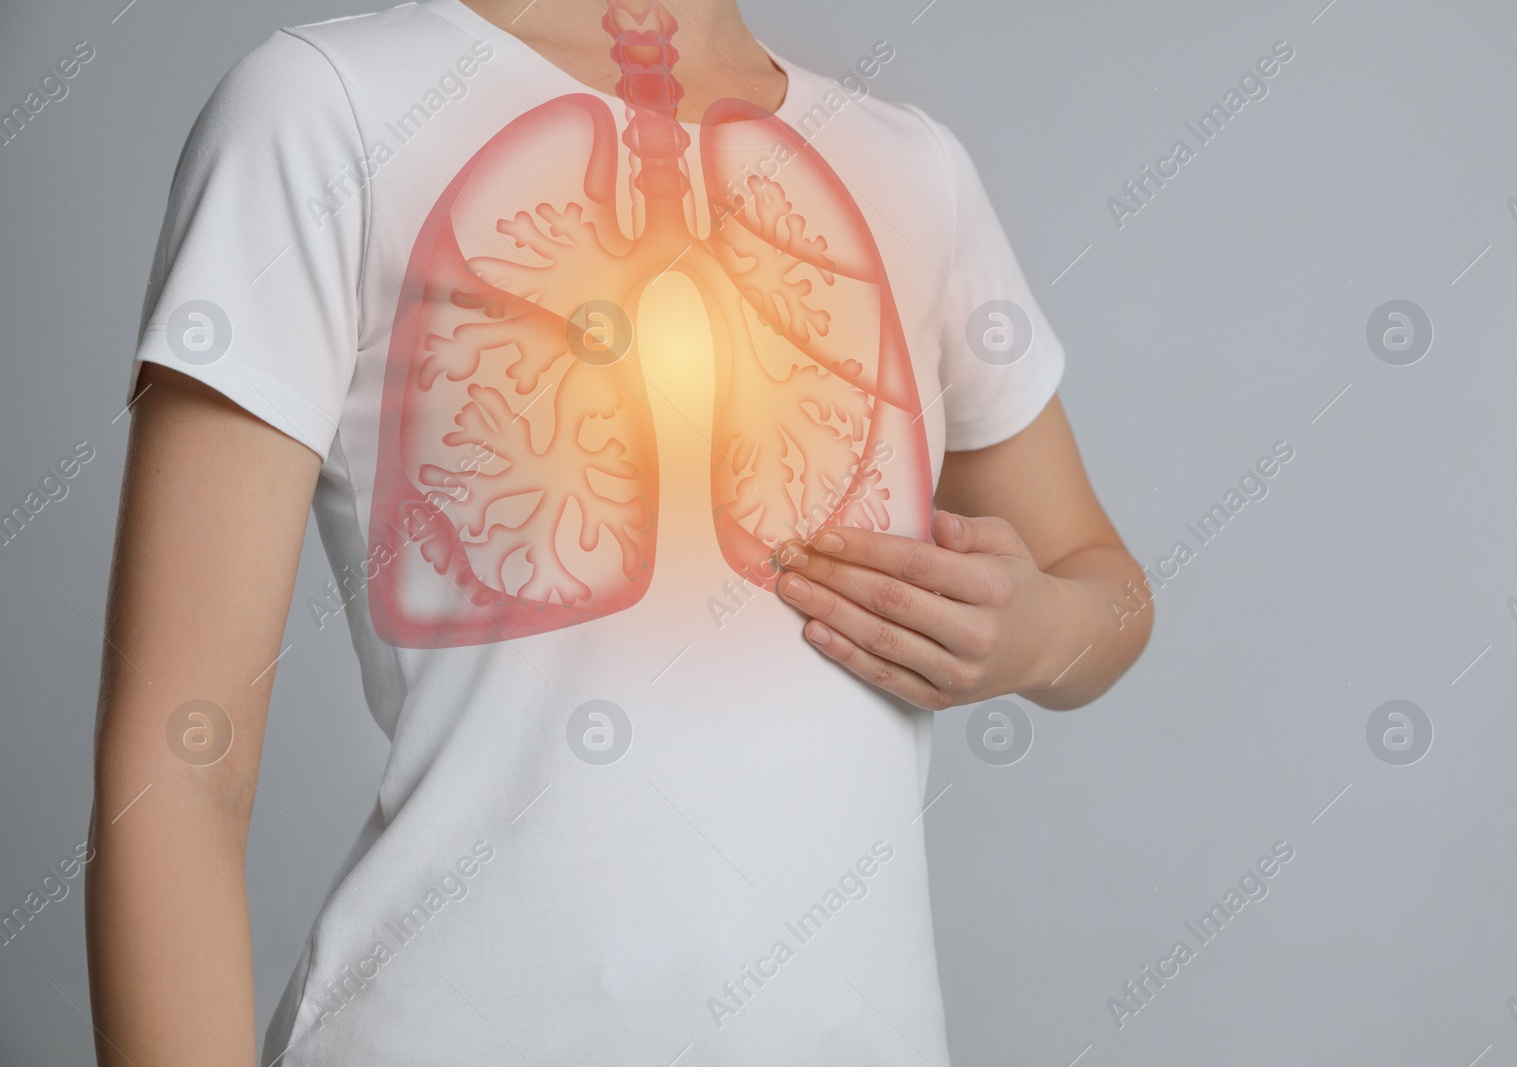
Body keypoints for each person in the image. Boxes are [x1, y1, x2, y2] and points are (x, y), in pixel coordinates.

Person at [85, 0, 1152, 1062]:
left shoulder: (911, 170)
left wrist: (1033, 631)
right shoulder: (327, 107)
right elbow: (178, 767)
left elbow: (1103, 586)